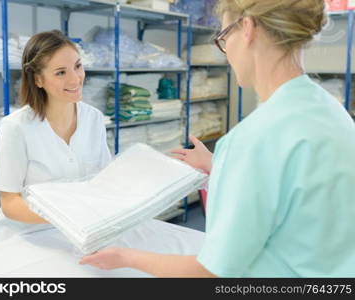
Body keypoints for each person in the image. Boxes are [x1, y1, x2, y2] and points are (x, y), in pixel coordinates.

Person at [80, 0, 355, 277]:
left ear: (247, 29)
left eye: (223, 36)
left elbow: (211, 272)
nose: (226, 52)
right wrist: (221, 165)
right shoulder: (332, 112)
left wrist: (126, 256)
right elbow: (301, 192)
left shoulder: (254, 139)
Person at [0, 30, 111, 246]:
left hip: (81, 233)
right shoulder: (16, 127)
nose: (75, 78)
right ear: (38, 79)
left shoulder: (94, 119)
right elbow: (10, 203)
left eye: (78, 66)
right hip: (26, 236)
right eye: (60, 72)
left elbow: (104, 181)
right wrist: (67, 216)